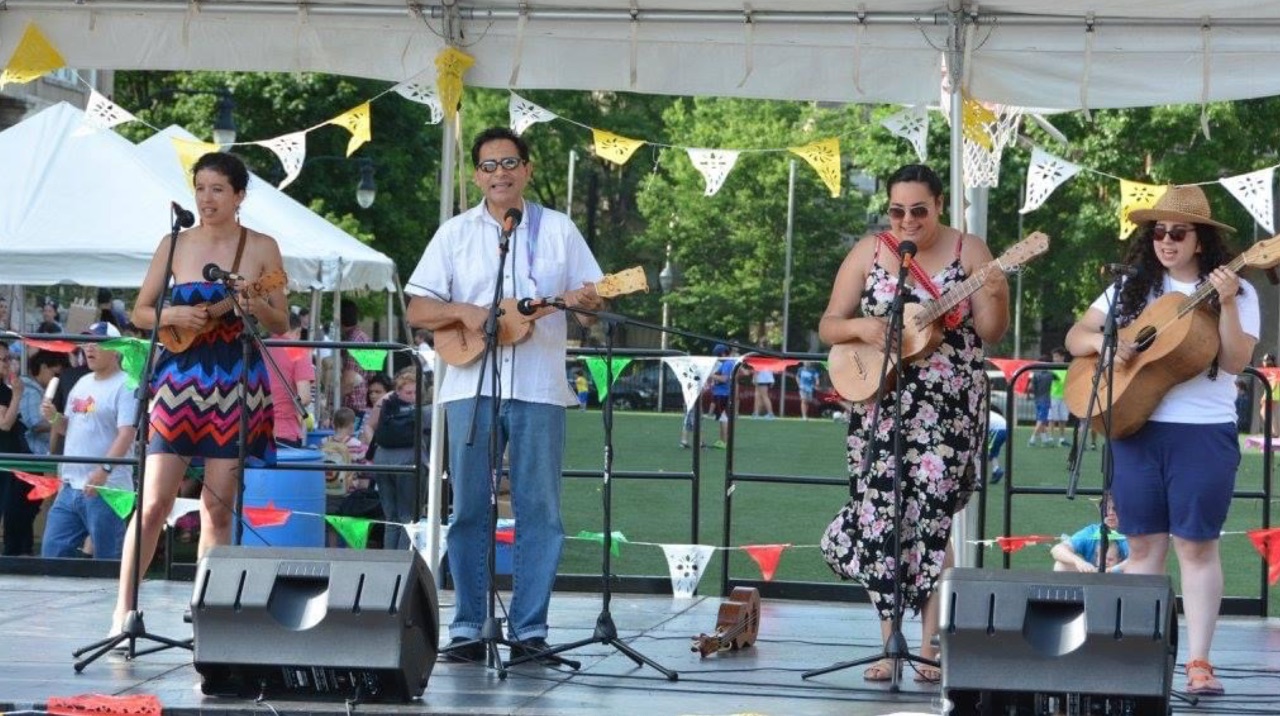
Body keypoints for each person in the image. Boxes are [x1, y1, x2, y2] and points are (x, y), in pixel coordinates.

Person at [404, 126, 604, 664]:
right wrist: (465, 312)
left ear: (528, 170)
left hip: (539, 389)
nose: (500, 173)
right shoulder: (454, 234)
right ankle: (469, 628)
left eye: (510, 163)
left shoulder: (560, 230)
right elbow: (418, 308)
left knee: (542, 512)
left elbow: (592, 309)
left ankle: (529, 631)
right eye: (489, 165)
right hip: (469, 387)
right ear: (476, 176)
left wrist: (590, 302)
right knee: (469, 509)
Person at [818, 163, 1009, 684]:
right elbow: (830, 324)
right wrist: (865, 327)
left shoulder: (970, 251)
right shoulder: (871, 251)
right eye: (897, 211)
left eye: (919, 211)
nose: (907, 221)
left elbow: (992, 331)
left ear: (940, 205)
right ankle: (890, 646)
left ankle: (929, 647)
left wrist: (994, 291)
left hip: (946, 409)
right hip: (879, 405)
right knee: (882, 518)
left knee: (931, 521)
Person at [1064, 184, 1257, 697]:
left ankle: (1199, 661)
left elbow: (1235, 362)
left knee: (1196, 545)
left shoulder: (1237, 290)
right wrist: (1111, 343)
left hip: (1203, 432)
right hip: (1134, 425)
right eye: (1158, 232)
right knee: (1144, 544)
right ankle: (1137, 657)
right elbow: (1076, 336)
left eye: (1178, 233)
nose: (1166, 241)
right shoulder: (1132, 287)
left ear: (1201, 240)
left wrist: (1229, 303)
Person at [112, 151, 287, 636]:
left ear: (239, 196)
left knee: (217, 505)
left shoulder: (262, 247)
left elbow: (280, 321)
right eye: (200, 188)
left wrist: (250, 300)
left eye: (217, 189)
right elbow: (140, 312)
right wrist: (172, 315)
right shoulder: (174, 243)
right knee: (153, 502)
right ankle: (122, 612)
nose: (206, 199)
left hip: (236, 381)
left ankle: (205, 610)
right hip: (178, 381)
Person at [39, 322, 136, 560]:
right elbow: (69, 428)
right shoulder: (82, 382)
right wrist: (54, 418)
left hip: (108, 489)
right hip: (71, 486)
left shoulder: (127, 385)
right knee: (51, 555)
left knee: (108, 561)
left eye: (98, 343)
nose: (89, 348)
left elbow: (127, 433)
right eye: (87, 342)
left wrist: (104, 470)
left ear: (116, 349)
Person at [360, 367, 426, 551]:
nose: (413, 396)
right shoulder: (423, 408)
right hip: (409, 460)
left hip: (383, 460)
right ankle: (403, 560)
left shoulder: (385, 401)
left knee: (391, 517)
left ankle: (389, 559)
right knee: (408, 517)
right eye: (410, 392)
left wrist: (375, 448)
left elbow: (369, 426)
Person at [0, 340, 33, 556]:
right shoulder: (5, 391)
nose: (7, 364)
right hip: (6, 460)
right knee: (11, 509)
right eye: (3, 360)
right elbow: (4, 423)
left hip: (10, 459)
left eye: (9, 359)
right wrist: (18, 394)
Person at [265, 312, 315, 448]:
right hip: (285, 431)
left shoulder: (258, 347)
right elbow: (304, 398)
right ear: (298, 331)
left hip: (254, 429)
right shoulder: (297, 351)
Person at [1050, 495, 1128, 574]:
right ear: (1100, 511)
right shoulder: (1091, 532)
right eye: (1106, 509)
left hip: (1124, 576)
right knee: (1060, 566)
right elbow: (1057, 549)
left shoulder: (1130, 533)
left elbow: (1135, 561)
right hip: (1093, 574)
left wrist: (1110, 570)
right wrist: (1079, 562)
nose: (1110, 513)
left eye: (1115, 509)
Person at [339, 298, 371, 414]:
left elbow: (349, 379)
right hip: (363, 401)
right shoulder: (365, 337)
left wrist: (333, 401)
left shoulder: (353, 342)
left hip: (351, 406)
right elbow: (372, 373)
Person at [707, 344, 736, 449]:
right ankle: (722, 440)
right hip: (721, 393)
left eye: (718, 355)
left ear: (723, 354)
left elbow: (724, 379)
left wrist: (710, 375)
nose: (717, 357)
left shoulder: (728, 363)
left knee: (724, 418)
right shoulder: (726, 363)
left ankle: (725, 442)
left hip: (723, 394)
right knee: (721, 418)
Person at [1028, 355, 1056, 447]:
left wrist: (1029, 395)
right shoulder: (1051, 374)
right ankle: (1032, 439)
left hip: (1037, 399)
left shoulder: (1035, 374)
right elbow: (1058, 379)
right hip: (1045, 399)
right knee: (1041, 420)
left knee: (1041, 420)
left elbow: (1030, 388)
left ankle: (1045, 440)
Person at [1048, 347, 1070, 446]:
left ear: (1062, 357)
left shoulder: (1068, 367)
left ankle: (1062, 438)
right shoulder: (1051, 368)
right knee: (1052, 418)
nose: (1055, 359)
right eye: (1054, 357)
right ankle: (1050, 437)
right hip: (1054, 396)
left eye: (1057, 357)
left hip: (1065, 396)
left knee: (1063, 418)